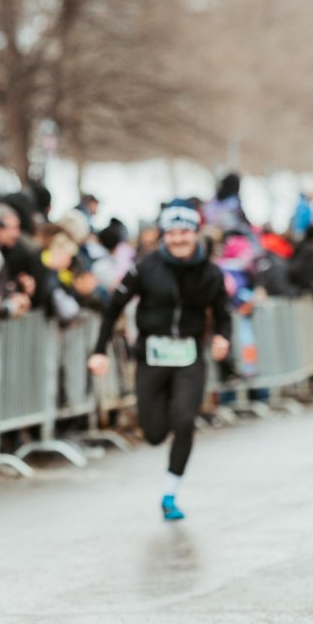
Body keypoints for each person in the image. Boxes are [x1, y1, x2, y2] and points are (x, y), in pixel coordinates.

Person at [87, 201, 232, 521]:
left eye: (185, 232)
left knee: (185, 420)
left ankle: (170, 493)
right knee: (153, 433)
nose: (178, 239)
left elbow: (224, 315)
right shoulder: (145, 267)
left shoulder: (210, 273)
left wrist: (223, 338)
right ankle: (165, 407)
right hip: (152, 356)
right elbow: (114, 308)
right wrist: (99, 351)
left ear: (195, 234)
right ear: (164, 235)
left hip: (189, 354)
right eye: (172, 233)